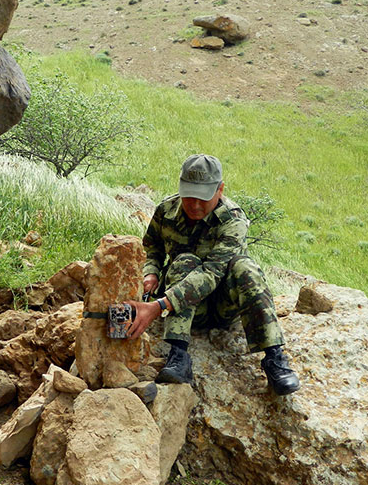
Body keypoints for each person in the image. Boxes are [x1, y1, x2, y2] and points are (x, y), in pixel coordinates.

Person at [125, 154, 301, 395]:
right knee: (184, 261)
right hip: (186, 311)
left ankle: (274, 358)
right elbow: (152, 247)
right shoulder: (166, 211)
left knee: (245, 267)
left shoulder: (233, 220)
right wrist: (151, 273)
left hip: (221, 307)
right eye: (190, 197)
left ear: (220, 190)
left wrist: (157, 307)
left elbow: (212, 273)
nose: (195, 205)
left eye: (203, 198)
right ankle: (179, 356)